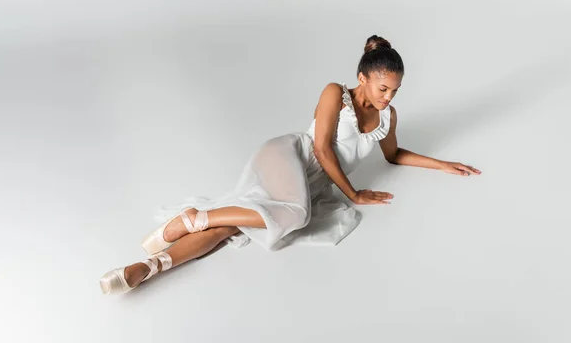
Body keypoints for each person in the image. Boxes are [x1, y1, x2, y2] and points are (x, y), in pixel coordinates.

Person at [99, 35, 481, 294]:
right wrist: (353, 194)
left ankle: (147, 269)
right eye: (382, 88)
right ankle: (196, 216)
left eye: (395, 90)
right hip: (288, 157)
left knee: (237, 227)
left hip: (311, 185)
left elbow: (394, 154)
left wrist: (443, 164)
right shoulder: (336, 93)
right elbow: (323, 150)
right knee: (294, 216)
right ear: (362, 78)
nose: (388, 96)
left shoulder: (387, 117)